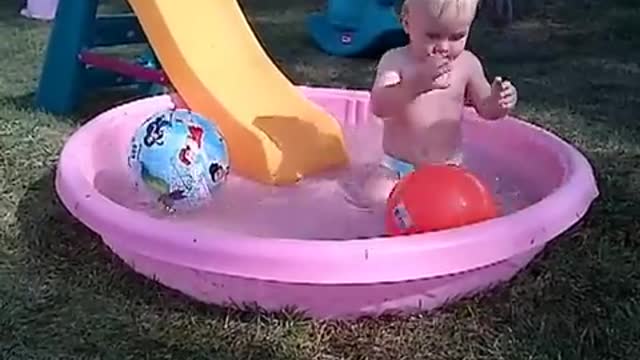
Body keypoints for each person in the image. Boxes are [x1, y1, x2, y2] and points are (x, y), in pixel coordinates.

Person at [343, 0, 518, 209]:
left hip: (449, 168)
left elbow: (487, 109)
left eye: (457, 36)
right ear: (407, 22)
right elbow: (380, 106)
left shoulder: (467, 64)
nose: (443, 47)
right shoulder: (396, 61)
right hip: (398, 169)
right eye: (433, 36)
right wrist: (414, 86)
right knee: (375, 198)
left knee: (478, 204)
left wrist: (499, 102)